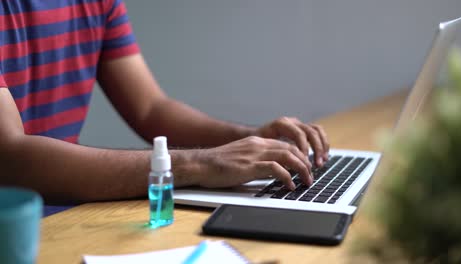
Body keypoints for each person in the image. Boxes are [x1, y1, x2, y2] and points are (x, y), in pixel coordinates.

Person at [0, 0, 329, 205]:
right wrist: (202, 164)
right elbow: (10, 157)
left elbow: (151, 109)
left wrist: (251, 139)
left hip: (64, 210)